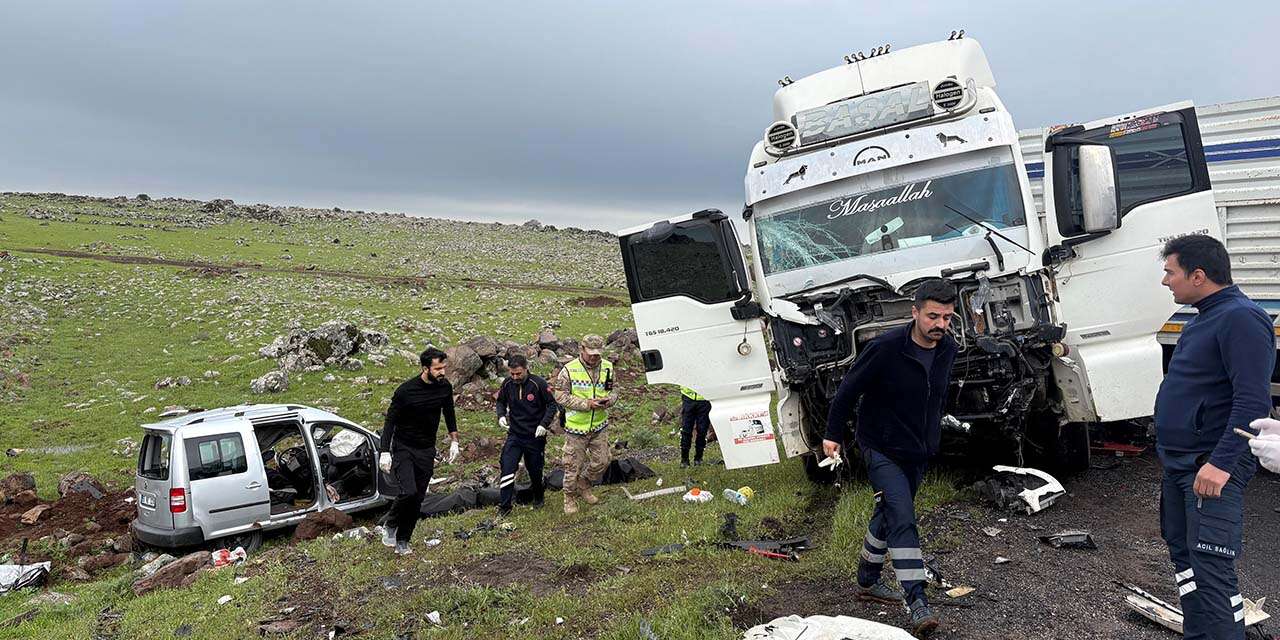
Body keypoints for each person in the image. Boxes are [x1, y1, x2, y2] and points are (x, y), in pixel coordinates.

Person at [822, 279, 958, 639]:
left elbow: (936, 398)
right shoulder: (885, 348)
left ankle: (866, 579)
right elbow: (848, 389)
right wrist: (832, 435)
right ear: (914, 312)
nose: (940, 325)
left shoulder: (949, 349)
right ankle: (917, 602)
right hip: (880, 447)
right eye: (933, 316)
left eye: (946, 317)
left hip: (918, 450)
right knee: (902, 515)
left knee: (887, 513)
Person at [1155, 235, 1273, 640]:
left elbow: (1253, 401)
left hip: (1208, 466)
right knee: (1187, 565)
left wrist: (1221, 463)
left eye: (1170, 272)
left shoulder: (1241, 318)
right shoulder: (1204, 316)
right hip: (1181, 464)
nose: (1166, 281)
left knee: (1212, 571)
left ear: (1199, 275)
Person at [378, 347, 461, 555]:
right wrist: (384, 451)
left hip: (426, 449)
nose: (442, 372)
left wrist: (454, 442)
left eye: (444, 367)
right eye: (438, 368)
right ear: (425, 368)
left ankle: (403, 540)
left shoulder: (444, 387)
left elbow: (449, 413)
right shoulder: (405, 391)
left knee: (418, 498)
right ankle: (390, 524)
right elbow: (390, 422)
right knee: (408, 491)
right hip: (404, 447)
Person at [553, 334, 617, 514]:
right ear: (582, 350)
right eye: (591, 353)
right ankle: (569, 497)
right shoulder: (569, 370)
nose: (594, 357)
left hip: (599, 425)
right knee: (573, 467)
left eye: (597, 353)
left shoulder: (608, 367)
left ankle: (585, 483)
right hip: (576, 428)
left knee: (603, 461)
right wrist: (587, 404)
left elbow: (614, 390)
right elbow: (559, 396)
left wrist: (609, 400)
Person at [494, 354, 557, 517]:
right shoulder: (507, 383)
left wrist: (544, 425)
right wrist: (501, 415)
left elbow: (551, 405)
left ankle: (538, 496)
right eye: (512, 373)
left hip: (535, 436)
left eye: (518, 374)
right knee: (507, 467)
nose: (515, 377)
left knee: (535, 469)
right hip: (515, 435)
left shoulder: (539, 384)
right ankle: (505, 506)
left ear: (526, 369)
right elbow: (500, 401)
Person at [679, 386, 712, 467]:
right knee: (686, 430)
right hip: (688, 397)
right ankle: (684, 460)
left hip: (704, 399)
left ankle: (698, 459)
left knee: (702, 430)